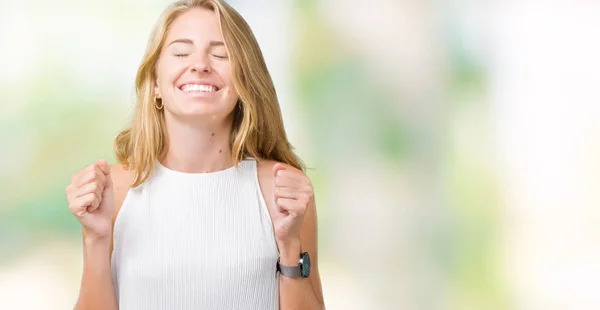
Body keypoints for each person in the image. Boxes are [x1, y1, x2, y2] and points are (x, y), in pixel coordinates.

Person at [64, 0, 325, 309]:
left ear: (244, 83)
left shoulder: (281, 191)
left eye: (220, 54)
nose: (200, 64)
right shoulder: (114, 190)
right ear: (156, 83)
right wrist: (96, 239)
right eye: (181, 52)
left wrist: (289, 245)